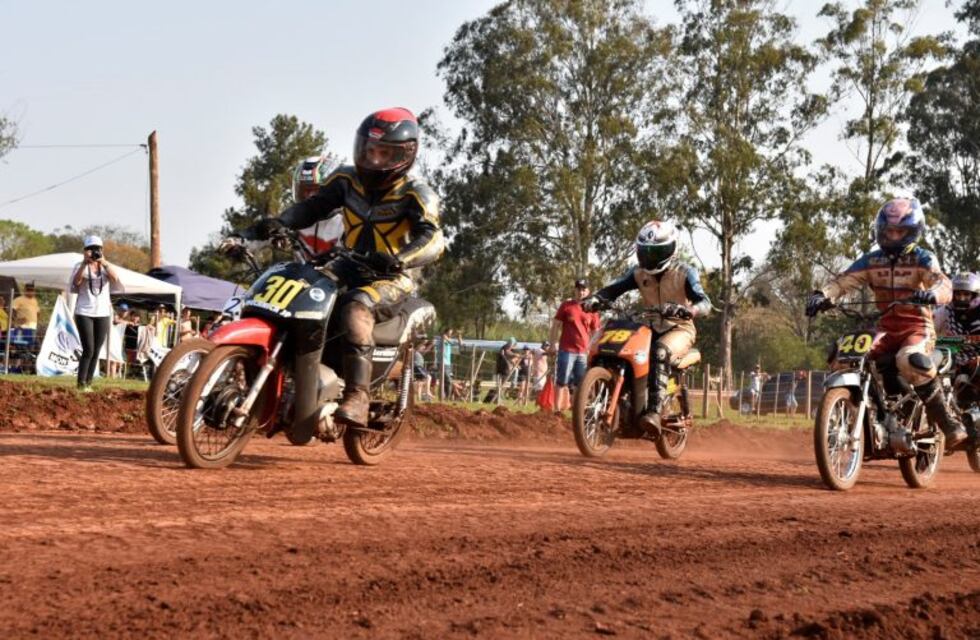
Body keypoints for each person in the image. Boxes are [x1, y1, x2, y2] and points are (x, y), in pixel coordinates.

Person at [235, 108, 444, 427]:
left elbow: (433, 239)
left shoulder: (416, 192)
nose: (373, 159)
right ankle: (293, 385)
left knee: (355, 309)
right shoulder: (346, 180)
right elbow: (312, 207)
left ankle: (358, 396)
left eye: (383, 152)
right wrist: (280, 222)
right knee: (302, 294)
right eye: (369, 150)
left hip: (390, 277)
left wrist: (399, 259)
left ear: (405, 154)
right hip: (347, 264)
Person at [806, 197, 968, 450]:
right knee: (844, 354)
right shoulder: (872, 261)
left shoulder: (923, 258)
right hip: (885, 326)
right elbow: (843, 281)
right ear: (880, 230)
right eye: (889, 231)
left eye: (900, 231)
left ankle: (948, 424)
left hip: (917, 327)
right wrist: (822, 295)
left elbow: (943, 283)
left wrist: (933, 295)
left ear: (912, 232)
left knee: (909, 359)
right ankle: (878, 414)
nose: (893, 236)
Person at [585, 220, 711, 432]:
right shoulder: (638, 273)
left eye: (656, 252)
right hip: (649, 326)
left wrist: (691, 310)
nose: (649, 258)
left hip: (679, 328)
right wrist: (596, 299)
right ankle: (621, 404)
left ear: (671, 249)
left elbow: (705, 302)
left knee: (659, 352)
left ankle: (653, 411)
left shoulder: (685, 272)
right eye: (646, 252)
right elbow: (614, 289)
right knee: (624, 349)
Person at [934, 272, 980, 449]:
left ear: (974, 295)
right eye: (958, 294)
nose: (961, 298)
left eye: (966, 294)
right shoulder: (944, 311)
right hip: (952, 356)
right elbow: (930, 330)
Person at [69, 235, 119, 391]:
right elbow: (75, 283)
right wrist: (85, 264)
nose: (93, 252)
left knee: (97, 349)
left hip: (103, 313)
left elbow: (115, 279)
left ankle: (88, 383)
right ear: (85, 251)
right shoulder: (79, 265)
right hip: (84, 311)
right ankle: (81, 384)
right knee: (88, 348)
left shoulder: (106, 266)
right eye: (90, 249)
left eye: (97, 249)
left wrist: (102, 262)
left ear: (101, 250)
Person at [549, 279, 601, 413]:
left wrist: (594, 348)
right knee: (562, 380)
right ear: (575, 290)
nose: (581, 292)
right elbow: (555, 325)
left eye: (583, 289)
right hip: (566, 349)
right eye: (578, 289)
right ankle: (557, 410)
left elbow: (596, 332)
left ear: (588, 291)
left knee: (580, 383)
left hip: (583, 352)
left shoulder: (592, 310)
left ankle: (577, 411)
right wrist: (552, 344)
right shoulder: (566, 306)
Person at [291, 155, 345, 254]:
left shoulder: (347, 224)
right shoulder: (296, 225)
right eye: (305, 190)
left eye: (316, 190)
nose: (309, 197)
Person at [440, 328, 463, 399]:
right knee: (448, 381)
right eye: (450, 332)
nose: (450, 334)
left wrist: (459, 336)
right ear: (446, 332)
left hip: (448, 364)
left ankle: (447, 397)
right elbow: (444, 337)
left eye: (451, 333)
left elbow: (460, 343)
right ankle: (446, 397)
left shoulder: (449, 341)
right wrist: (455, 335)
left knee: (447, 381)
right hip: (443, 363)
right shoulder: (443, 338)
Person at [495, 337, 519, 402]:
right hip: (502, 369)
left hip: (505, 369)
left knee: (516, 370)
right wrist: (515, 355)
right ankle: (498, 398)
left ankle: (513, 383)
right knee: (501, 385)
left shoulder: (508, 348)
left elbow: (510, 356)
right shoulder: (504, 348)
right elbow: (507, 353)